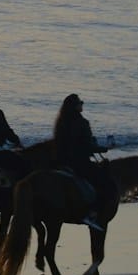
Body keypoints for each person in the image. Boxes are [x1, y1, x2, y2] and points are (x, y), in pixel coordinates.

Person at [52, 93, 112, 231]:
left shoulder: (61, 121)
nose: (82, 105)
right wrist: (103, 148)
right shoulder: (82, 122)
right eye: (81, 103)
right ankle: (92, 213)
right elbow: (86, 146)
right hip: (79, 162)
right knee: (104, 183)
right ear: (76, 106)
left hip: (61, 161)